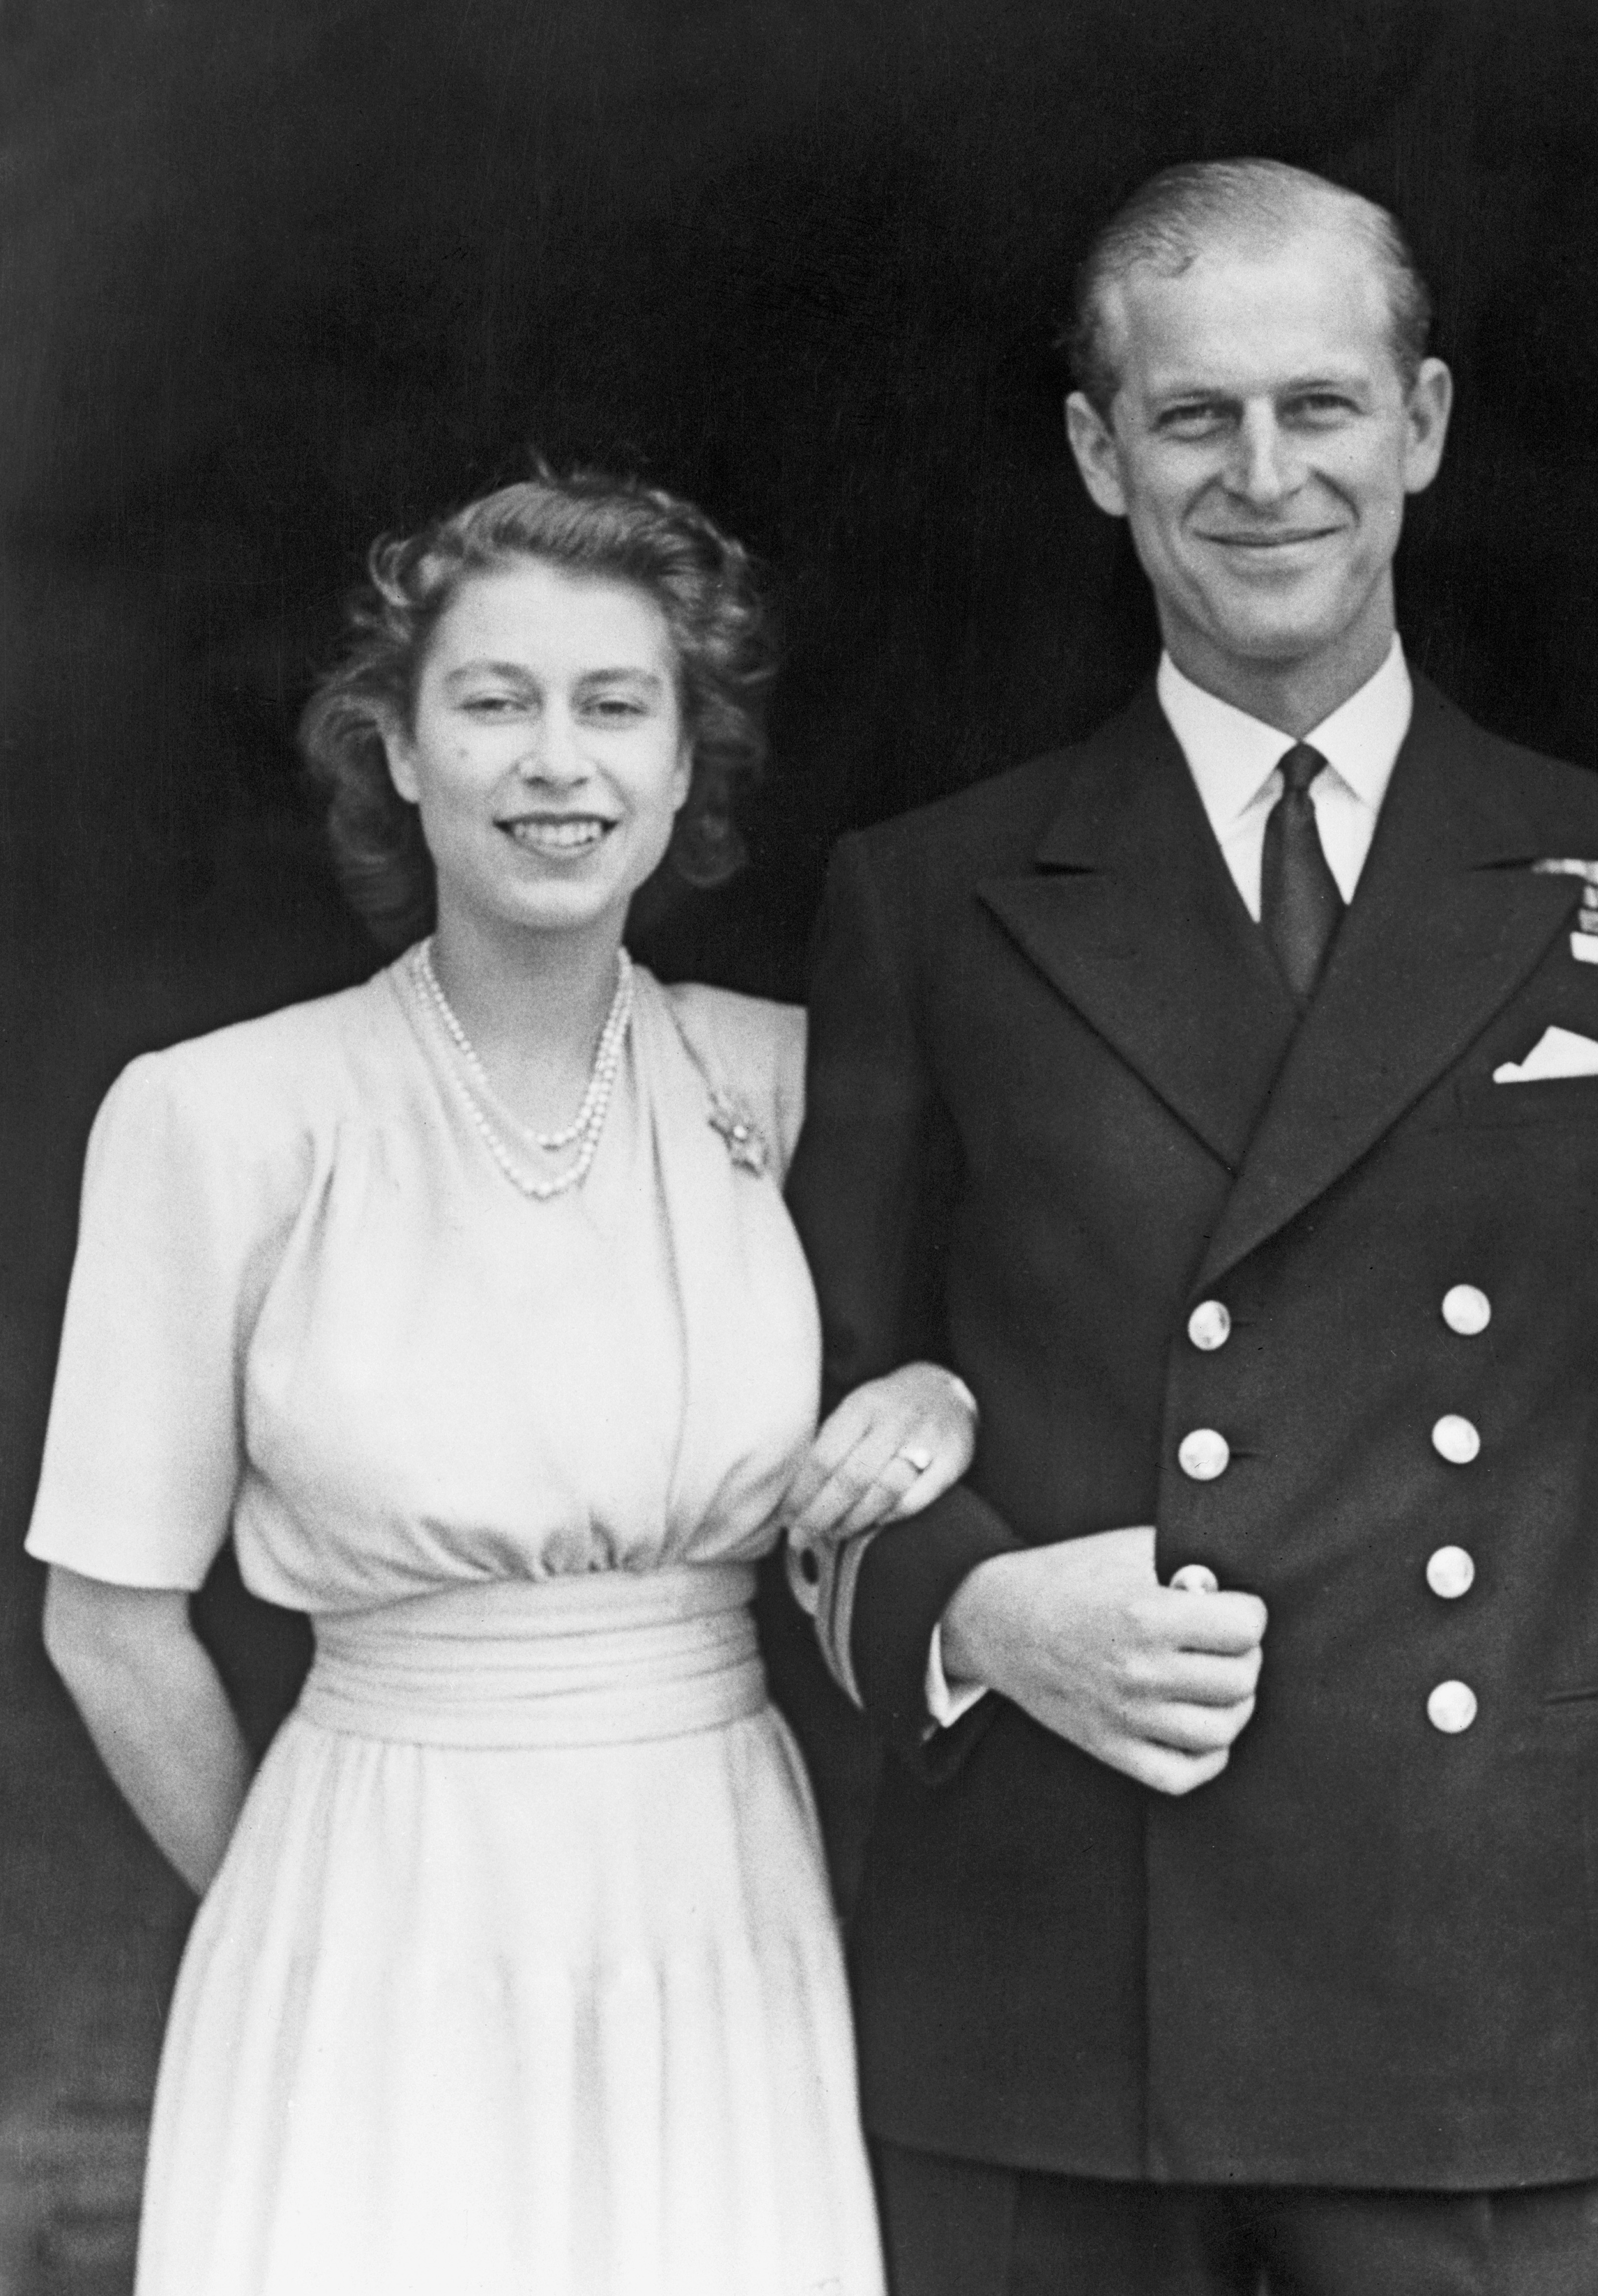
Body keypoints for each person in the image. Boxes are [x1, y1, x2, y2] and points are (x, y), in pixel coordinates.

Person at [783, 161, 1598, 2296]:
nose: (1266, 477)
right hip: (1056, 1968)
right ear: (1098, 452)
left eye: (1321, 408)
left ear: (1419, 426)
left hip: (1507, 1981)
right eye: (1194, 417)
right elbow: (806, 1387)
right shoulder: (938, 896)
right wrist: (974, 1617)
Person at [27, 471, 975, 2295]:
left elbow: (958, 1364)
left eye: (616, 705)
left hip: (717, 1889)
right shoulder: (220, 1116)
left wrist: (940, 1394)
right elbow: (106, 1621)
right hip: (370, 1880)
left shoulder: (789, 1088)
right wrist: (293, 1926)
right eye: (494, 701)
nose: (560, 762)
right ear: (395, 747)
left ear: (688, 763)